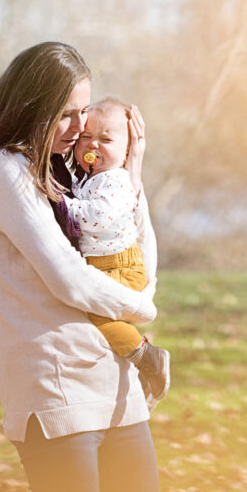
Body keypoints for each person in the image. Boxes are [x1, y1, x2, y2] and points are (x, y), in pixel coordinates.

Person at [0, 42, 163, 492]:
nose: (79, 126)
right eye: (68, 113)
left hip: (114, 382)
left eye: (85, 111)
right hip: (55, 392)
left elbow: (130, 251)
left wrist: (132, 173)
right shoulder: (4, 174)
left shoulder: (66, 177)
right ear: (33, 106)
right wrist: (143, 312)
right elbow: (70, 278)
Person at [64, 96, 170, 410]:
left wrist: (61, 204)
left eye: (105, 139)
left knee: (95, 317)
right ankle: (138, 370)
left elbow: (95, 217)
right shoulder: (91, 179)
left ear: (126, 151)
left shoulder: (117, 181)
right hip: (104, 266)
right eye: (86, 137)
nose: (92, 144)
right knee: (91, 317)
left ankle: (147, 357)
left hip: (120, 268)